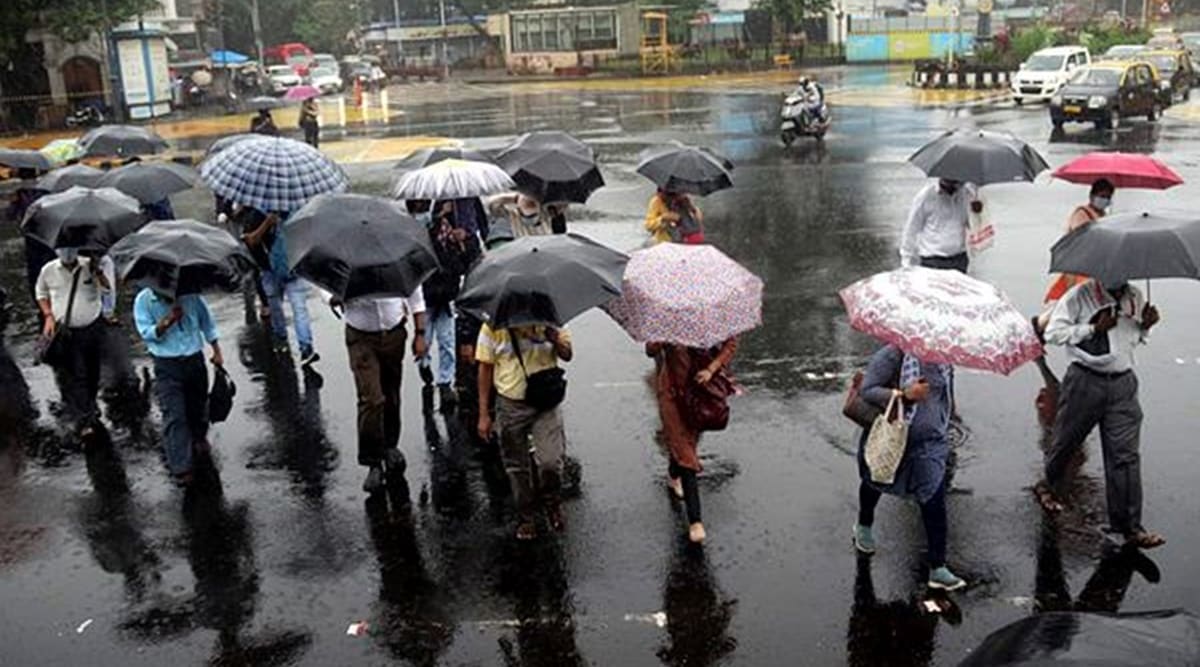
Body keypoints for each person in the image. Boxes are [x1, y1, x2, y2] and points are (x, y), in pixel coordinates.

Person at [1034, 278, 1165, 550]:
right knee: (1066, 442)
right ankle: (1049, 484)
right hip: (1085, 380)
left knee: (1125, 456)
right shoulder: (1078, 296)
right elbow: (1054, 334)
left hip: (1123, 384)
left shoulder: (1135, 296)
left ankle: (1129, 527)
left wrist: (1146, 326)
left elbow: (1134, 338)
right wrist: (1093, 328)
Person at [852, 344, 966, 591]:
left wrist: (949, 415)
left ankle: (937, 566)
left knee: (934, 498)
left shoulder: (944, 357)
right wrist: (905, 394)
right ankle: (864, 524)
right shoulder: (893, 355)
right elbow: (868, 390)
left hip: (930, 443)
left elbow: (945, 392)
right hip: (893, 436)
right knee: (876, 481)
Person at [476, 323, 573, 540]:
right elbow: (485, 368)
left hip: (545, 401)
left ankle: (552, 501)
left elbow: (568, 354)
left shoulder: (550, 317)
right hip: (511, 404)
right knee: (517, 467)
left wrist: (555, 338)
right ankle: (526, 516)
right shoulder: (492, 326)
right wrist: (483, 414)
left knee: (550, 461)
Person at [332, 291, 427, 494]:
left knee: (391, 393)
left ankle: (391, 445)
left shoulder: (393, 260)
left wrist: (420, 333)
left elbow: (415, 294)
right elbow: (324, 284)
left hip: (394, 334)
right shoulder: (347, 261)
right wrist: (334, 296)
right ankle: (372, 461)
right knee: (372, 399)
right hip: (361, 338)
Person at [648, 337, 738, 544]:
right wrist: (665, 336)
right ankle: (695, 521)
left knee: (685, 444)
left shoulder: (712, 314)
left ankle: (674, 472)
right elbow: (650, 349)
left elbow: (731, 344)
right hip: (671, 393)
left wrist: (711, 369)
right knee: (686, 453)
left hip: (700, 391)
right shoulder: (669, 316)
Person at [133, 288, 223, 486]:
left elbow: (207, 323)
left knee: (198, 405)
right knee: (174, 414)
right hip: (167, 364)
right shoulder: (145, 300)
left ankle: (199, 436)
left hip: (194, 359)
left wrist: (216, 350)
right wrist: (167, 321)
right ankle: (181, 466)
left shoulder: (191, 296)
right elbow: (146, 333)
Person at [36, 247, 112, 441]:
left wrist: (98, 272)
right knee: (76, 374)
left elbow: (107, 289)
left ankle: (90, 403)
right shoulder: (49, 270)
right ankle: (85, 420)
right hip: (67, 333)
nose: (67, 253)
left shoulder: (89, 266)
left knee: (93, 372)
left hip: (92, 329)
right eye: (63, 250)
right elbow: (41, 293)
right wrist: (48, 315)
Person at [419, 200, 481, 411]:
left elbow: (467, 261)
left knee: (446, 341)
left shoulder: (460, 226)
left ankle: (444, 382)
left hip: (447, 295)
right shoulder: (425, 227)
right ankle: (424, 364)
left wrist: (463, 242)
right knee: (425, 339)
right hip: (428, 295)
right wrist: (438, 219)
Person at [243, 212, 318, 365]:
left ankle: (281, 339)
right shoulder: (291, 210)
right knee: (299, 309)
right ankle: (305, 347)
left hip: (270, 270)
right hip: (292, 266)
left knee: (276, 306)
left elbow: (252, 241)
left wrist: (266, 224)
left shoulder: (255, 214)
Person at [900, 179, 983, 273]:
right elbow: (912, 228)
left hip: (959, 260)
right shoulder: (926, 196)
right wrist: (906, 260)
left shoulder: (967, 194)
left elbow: (974, 227)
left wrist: (977, 211)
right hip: (932, 260)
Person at [488, 192, 553, 237]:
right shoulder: (513, 215)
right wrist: (514, 198)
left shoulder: (546, 213)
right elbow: (491, 203)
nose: (528, 200)